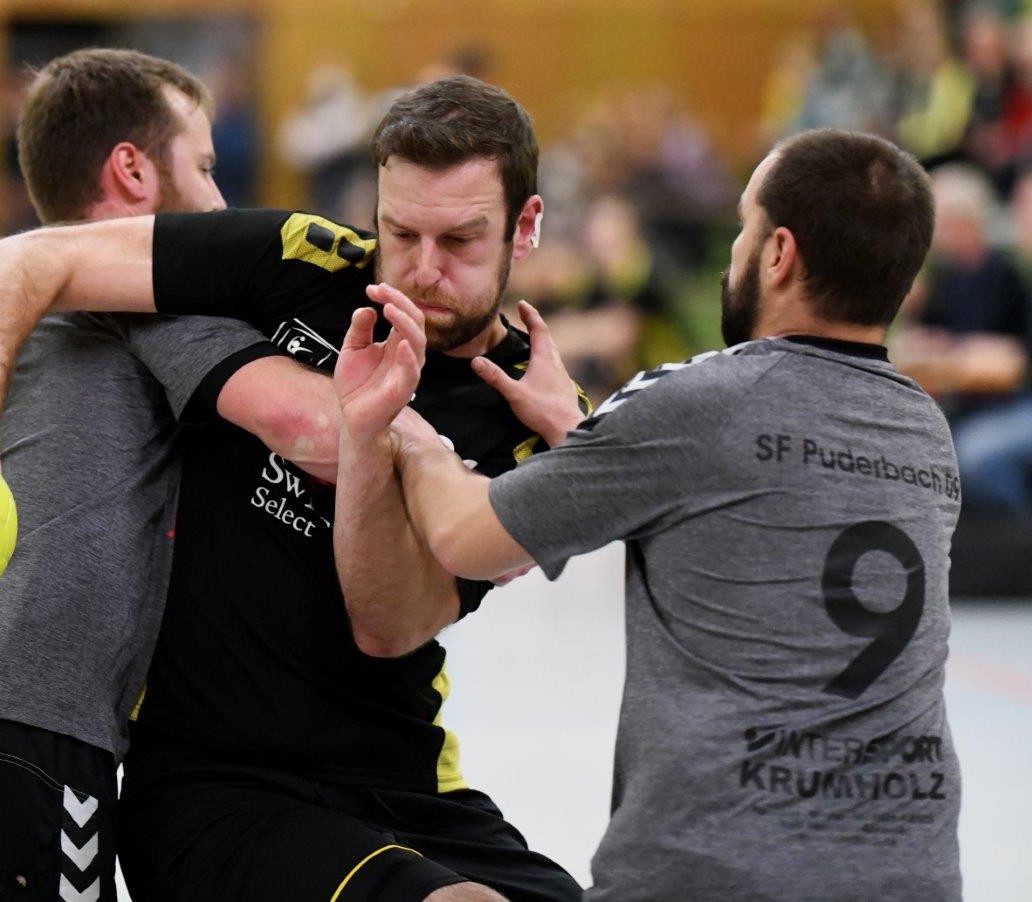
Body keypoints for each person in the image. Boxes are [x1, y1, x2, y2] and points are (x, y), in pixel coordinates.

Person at [0, 76, 583, 900]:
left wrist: (385, 438)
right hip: (217, 789)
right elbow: (28, 256)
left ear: (525, 227)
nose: (422, 270)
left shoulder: (544, 423)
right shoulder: (305, 259)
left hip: (411, 786)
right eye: (400, 232)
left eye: (460, 240)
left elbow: (389, 624)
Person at [334, 128, 962, 900]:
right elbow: (748, 508)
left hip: (714, 877)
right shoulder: (925, 434)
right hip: (913, 876)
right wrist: (585, 436)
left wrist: (401, 424)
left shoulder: (700, 399)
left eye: (745, 227)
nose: (736, 251)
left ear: (779, 255)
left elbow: (466, 538)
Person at [0, 49, 350, 901]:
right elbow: (316, 429)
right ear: (131, 170)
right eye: (204, 167)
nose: (222, 201)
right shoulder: (151, 297)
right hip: (24, 738)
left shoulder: (34, 308)